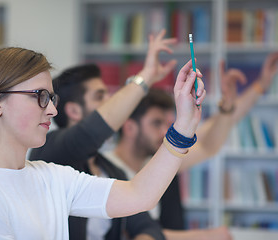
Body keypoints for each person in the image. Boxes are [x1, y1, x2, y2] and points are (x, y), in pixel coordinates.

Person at [0, 46, 206, 239]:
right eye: (40, 96)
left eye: (52, 99)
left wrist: (183, 125)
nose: (53, 111)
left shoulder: (51, 176)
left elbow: (140, 195)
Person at [102, 51, 278, 240]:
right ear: (129, 127)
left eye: (165, 123)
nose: (164, 132)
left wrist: (259, 87)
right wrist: (206, 236)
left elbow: (209, 143)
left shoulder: (154, 162)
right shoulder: (104, 172)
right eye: (156, 123)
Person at [28, 30, 184, 239]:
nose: (110, 101)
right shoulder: (51, 151)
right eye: (100, 96)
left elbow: (147, 224)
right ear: (74, 111)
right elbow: (91, 130)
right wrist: (145, 76)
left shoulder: (111, 170)